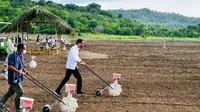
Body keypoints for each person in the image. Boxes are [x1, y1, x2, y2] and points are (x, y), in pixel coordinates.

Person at [0, 43, 26, 112]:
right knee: (20, 92)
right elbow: (10, 66)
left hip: (18, 77)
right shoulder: (12, 55)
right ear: (20, 49)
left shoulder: (21, 55)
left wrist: (24, 70)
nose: (24, 50)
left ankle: (0, 104)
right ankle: (18, 109)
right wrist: (19, 72)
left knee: (10, 92)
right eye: (23, 49)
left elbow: (21, 64)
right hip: (13, 77)